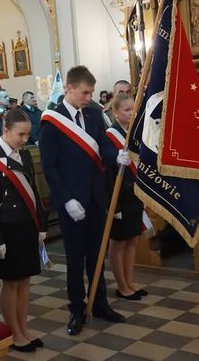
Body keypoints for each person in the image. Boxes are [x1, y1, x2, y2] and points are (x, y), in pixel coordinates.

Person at [39, 65, 130, 335]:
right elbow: (49, 167)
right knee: (76, 257)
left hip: (96, 196)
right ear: (69, 88)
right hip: (72, 202)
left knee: (97, 254)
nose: (89, 97)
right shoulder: (52, 121)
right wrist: (67, 199)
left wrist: (116, 155)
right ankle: (76, 309)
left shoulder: (92, 114)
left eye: (91, 92)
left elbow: (103, 145)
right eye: (84, 93)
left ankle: (99, 303)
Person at [0, 109, 47, 352]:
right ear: (5, 130)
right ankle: (13, 332)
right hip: (7, 230)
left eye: (28, 134)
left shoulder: (24, 155)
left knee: (25, 280)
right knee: (11, 282)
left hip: (26, 226)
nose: (25, 140)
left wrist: (41, 225)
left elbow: (34, 191)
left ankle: (23, 327)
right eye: (21, 135)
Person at [105, 94, 147, 300]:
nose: (132, 113)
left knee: (132, 240)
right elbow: (106, 172)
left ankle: (130, 282)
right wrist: (113, 206)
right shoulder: (109, 136)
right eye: (127, 110)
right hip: (118, 196)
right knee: (119, 242)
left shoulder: (133, 133)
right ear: (115, 112)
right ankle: (121, 286)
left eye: (133, 109)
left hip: (134, 193)